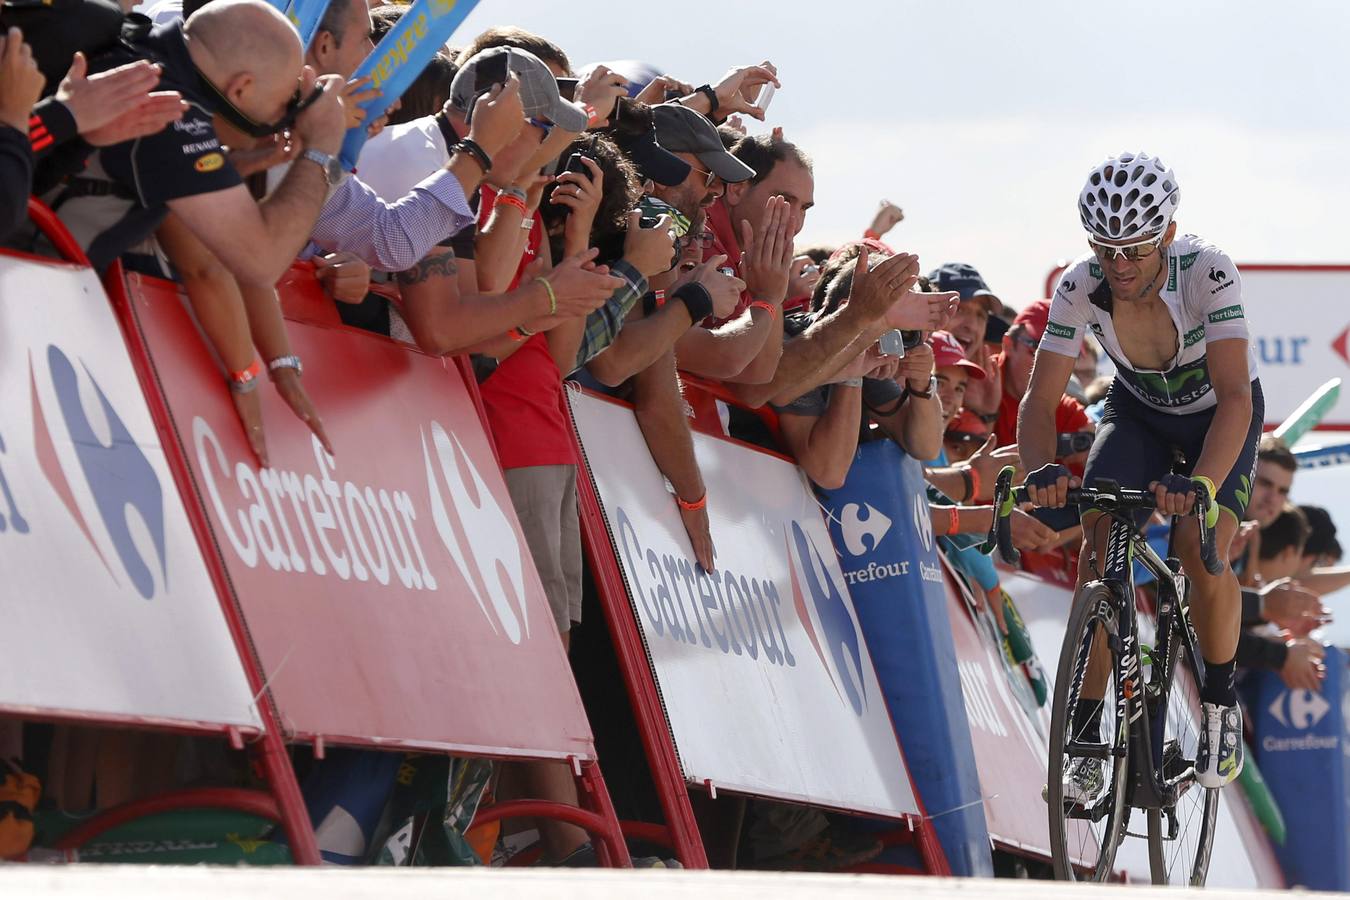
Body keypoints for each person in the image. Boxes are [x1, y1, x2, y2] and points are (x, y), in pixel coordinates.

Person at [1021, 151, 1262, 792]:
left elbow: (1235, 397)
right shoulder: (1078, 286)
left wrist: (1203, 486)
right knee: (1100, 545)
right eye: (1106, 250)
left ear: (1168, 236)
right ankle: (1087, 730)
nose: (1119, 265)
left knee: (1198, 543)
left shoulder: (1208, 273)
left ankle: (1218, 702)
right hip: (1139, 410)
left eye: (1135, 249)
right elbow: (1039, 400)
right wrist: (1041, 471)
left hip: (1218, 413)